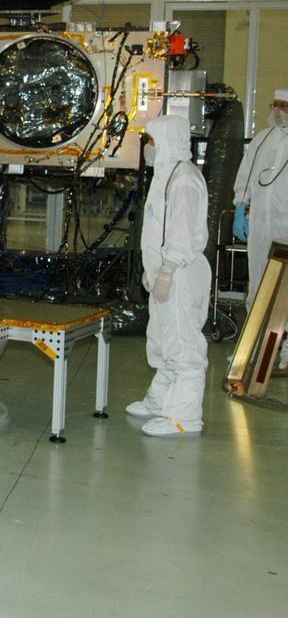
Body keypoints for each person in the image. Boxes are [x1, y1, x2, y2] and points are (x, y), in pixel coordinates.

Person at [128, 113, 211, 436]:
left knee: (183, 343)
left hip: (181, 273)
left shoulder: (185, 178)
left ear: (166, 142)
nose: (148, 147)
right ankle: (161, 401)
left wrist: (168, 268)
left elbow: (180, 230)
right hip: (165, 271)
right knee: (163, 339)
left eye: (151, 141)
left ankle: (184, 416)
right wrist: (154, 269)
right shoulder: (166, 174)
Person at [233, 89, 288, 327]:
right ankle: (252, 346)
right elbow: (246, 174)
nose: (277, 111)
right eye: (274, 105)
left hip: (285, 225)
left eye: (283, 106)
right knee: (257, 281)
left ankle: (286, 352)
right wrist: (240, 207)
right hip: (259, 224)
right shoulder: (262, 139)